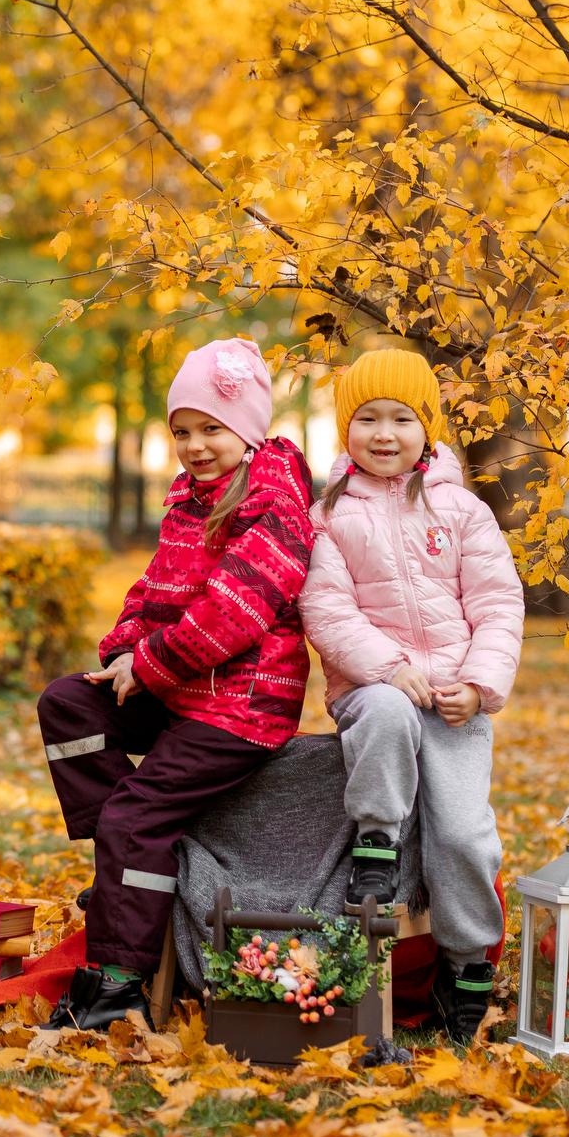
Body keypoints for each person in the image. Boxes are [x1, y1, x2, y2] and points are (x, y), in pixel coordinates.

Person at [36, 338, 315, 1031]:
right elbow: (157, 586)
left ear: (247, 431)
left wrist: (151, 663)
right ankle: (128, 875)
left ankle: (117, 981)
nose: (195, 445)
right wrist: (122, 650)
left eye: (211, 429)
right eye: (182, 431)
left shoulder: (275, 503)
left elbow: (232, 613)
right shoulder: (189, 496)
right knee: (68, 704)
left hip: (243, 706)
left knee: (135, 817)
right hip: (183, 689)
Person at [299, 347, 524, 1044]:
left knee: (463, 834)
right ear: (347, 429)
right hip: (375, 691)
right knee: (390, 708)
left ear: (428, 427)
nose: (385, 433)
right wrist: (389, 666)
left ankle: (465, 970)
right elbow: (327, 609)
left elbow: (498, 601)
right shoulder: (331, 514)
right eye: (367, 418)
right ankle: (376, 842)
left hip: (454, 699)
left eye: (402, 418)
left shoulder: (462, 510)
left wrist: (481, 686)